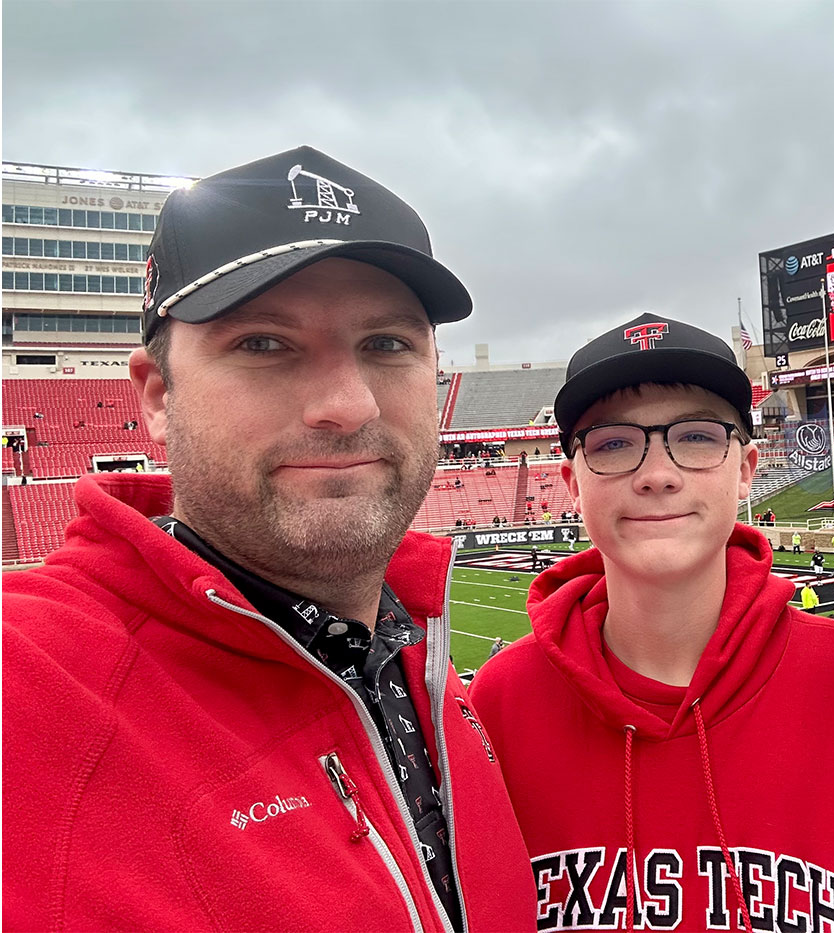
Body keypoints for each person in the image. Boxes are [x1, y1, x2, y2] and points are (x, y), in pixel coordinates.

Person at [1, 147, 535, 930]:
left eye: (388, 343)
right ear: (155, 396)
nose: (346, 405)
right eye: (263, 343)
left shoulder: (426, 664)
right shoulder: (34, 680)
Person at [467, 314, 834, 929]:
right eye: (612, 443)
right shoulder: (497, 705)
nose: (658, 473)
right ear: (569, 482)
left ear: (746, 467)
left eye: (697, 437)